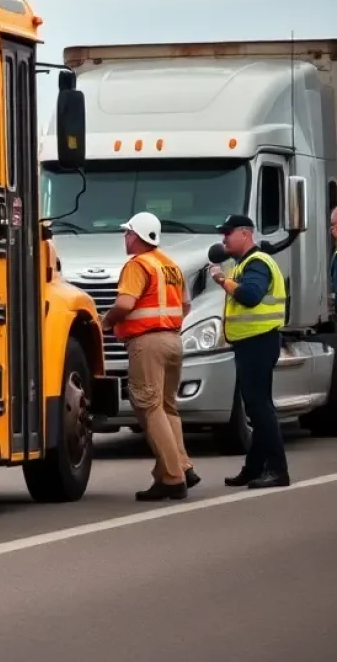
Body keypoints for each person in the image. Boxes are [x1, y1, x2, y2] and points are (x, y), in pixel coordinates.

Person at [101, 211, 199, 501]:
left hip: (147, 343)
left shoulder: (137, 265)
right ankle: (181, 466)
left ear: (138, 236)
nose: (125, 237)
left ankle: (173, 476)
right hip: (173, 341)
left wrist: (106, 321)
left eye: (128, 233)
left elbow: (125, 303)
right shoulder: (170, 265)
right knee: (168, 407)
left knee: (149, 407)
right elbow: (186, 307)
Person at [208, 213, 290, 489]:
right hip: (250, 343)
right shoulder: (244, 264)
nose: (224, 238)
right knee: (256, 407)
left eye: (228, 232)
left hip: (259, 342)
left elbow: (250, 296)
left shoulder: (257, 263)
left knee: (260, 408)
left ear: (245, 233)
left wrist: (221, 280)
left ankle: (278, 470)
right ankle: (254, 468)